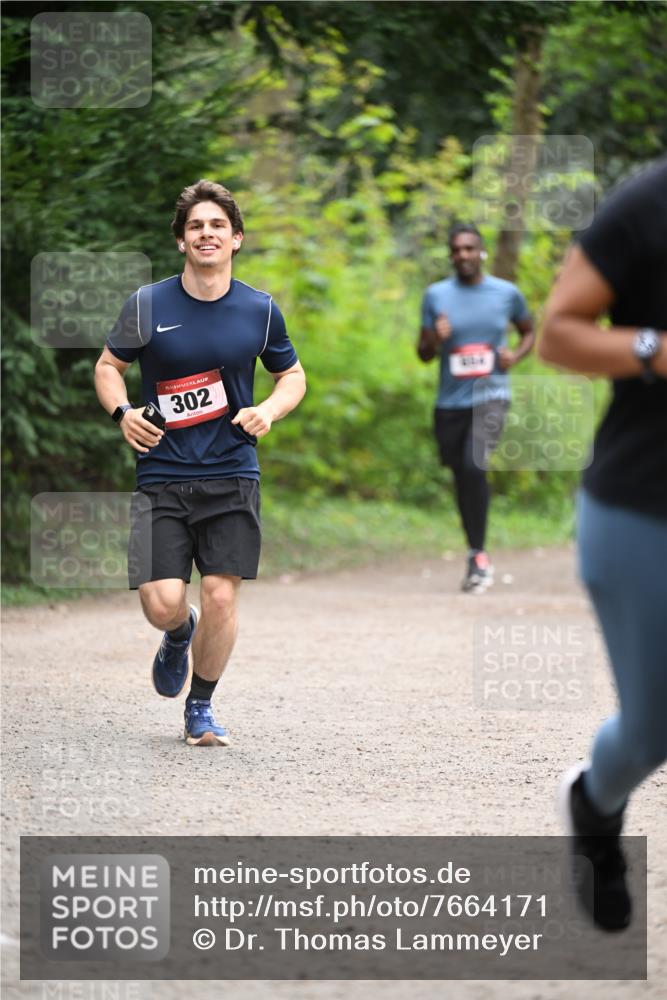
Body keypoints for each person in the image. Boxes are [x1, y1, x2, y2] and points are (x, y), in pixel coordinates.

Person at [94, 179, 306, 747]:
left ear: (236, 239)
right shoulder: (148, 305)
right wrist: (122, 412)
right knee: (162, 602)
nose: (206, 234)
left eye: (217, 225)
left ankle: (201, 705)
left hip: (232, 471)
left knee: (220, 593)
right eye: (195, 226)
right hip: (162, 473)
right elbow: (109, 366)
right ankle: (178, 632)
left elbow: (292, 375)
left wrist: (268, 410)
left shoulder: (260, 310)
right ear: (181, 241)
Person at [540, 157, 667, 930]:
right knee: (653, 729)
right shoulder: (649, 203)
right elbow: (557, 332)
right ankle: (594, 802)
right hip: (643, 505)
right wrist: (655, 350)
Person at [417, 223, 534, 592]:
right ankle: (475, 551)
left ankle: (479, 556)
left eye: (469, 248)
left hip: (491, 395)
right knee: (462, 475)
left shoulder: (506, 293)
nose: (463, 255)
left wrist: (515, 356)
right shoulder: (436, 295)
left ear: (481, 252)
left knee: (473, 464)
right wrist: (436, 338)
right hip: (449, 402)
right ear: (451, 255)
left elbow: (529, 330)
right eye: (456, 250)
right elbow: (423, 353)